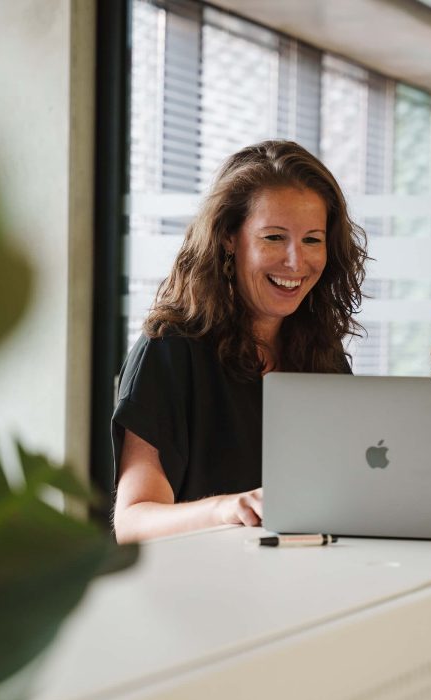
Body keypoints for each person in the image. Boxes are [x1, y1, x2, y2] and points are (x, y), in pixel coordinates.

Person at [112, 140, 367, 543]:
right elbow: (133, 522)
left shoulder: (323, 355)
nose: (295, 262)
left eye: (312, 240)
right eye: (273, 237)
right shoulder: (168, 351)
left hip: (307, 586)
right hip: (205, 592)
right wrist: (228, 509)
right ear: (230, 237)